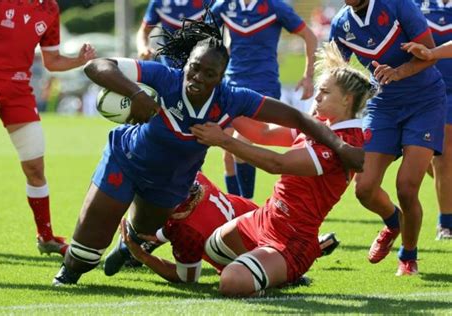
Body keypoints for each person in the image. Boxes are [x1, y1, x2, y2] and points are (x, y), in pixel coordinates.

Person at [52, 17, 363, 286]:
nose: (198, 77)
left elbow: (295, 117)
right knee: (85, 254)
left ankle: (133, 244)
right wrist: (136, 95)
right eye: (194, 68)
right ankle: (71, 269)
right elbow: (96, 66)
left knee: (143, 233)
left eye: (209, 74)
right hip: (127, 160)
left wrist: (339, 145)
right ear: (186, 63)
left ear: (221, 77)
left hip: (170, 183)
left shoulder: (230, 99)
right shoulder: (165, 77)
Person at [184, 41, 371, 297]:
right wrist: (222, 101)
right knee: (212, 247)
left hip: (292, 240)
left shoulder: (345, 142)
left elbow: (277, 163)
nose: (316, 97)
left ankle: (285, 270)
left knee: (231, 281)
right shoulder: (319, 124)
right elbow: (262, 132)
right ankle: (271, 274)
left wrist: (224, 140)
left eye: (325, 92)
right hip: (266, 219)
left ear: (347, 99)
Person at [330, 0, 447, 275]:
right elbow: (338, 73)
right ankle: (394, 222)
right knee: (364, 188)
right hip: (381, 106)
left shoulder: (398, 5)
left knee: (406, 187)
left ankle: (408, 256)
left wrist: (398, 72)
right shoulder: (339, 24)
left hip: (425, 102)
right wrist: (323, 105)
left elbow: (430, 52)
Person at [0, 0, 96, 256]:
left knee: (35, 167)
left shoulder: (50, 8)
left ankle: (46, 237)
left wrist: (79, 60)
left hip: (19, 89)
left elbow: (52, 61)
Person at [113, 172, 340, 281]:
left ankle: (292, 272)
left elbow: (187, 278)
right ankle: (312, 247)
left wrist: (144, 257)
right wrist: (160, 237)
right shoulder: (195, 179)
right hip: (260, 218)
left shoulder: (187, 231)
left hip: (253, 248)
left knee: (252, 272)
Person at [209, 0, 318, 199]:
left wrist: (308, 76)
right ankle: (236, 207)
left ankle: (247, 205)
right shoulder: (225, 5)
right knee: (228, 154)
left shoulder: (274, 6)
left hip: (263, 86)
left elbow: (309, 36)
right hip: (230, 86)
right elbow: (202, 33)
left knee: (240, 144)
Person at [410, 0, 452, 240]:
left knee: (444, 154)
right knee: (425, 156)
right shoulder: (415, 3)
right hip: (423, 88)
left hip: (450, 91)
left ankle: (445, 224)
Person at [136, 0, 210, 65]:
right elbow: (143, 31)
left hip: (201, 64)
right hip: (170, 64)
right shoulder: (159, 2)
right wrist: (143, 48)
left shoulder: (208, 2)